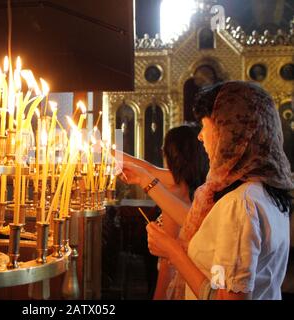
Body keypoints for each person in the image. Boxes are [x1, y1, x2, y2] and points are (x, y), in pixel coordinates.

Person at [120, 81, 293, 299]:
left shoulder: (240, 204)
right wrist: (142, 177)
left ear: (228, 132)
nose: (200, 136)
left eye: (205, 126)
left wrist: (173, 251)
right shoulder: (265, 191)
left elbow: (225, 296)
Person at [118, 124, 209, 299]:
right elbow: (149, 170)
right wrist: (105, 150)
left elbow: (168, 264)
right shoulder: (198, 184)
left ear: (170, 155)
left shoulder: (176, 194)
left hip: (179, 282)